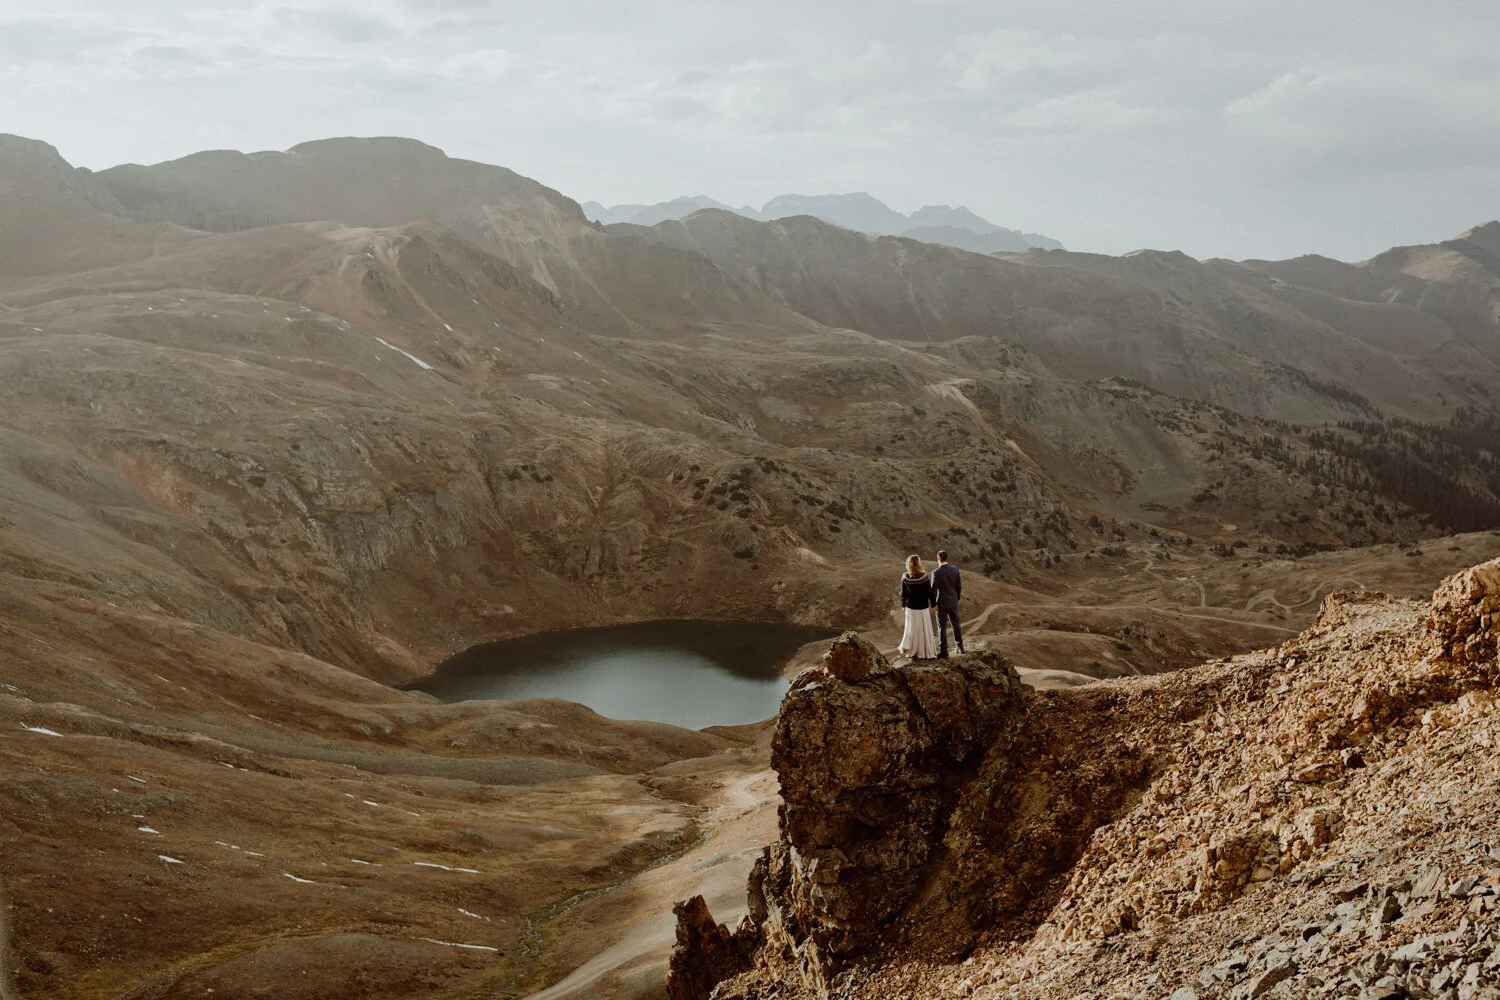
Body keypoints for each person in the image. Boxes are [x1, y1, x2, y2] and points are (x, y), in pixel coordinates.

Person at [897, 554, 939, 660]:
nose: (921, 562)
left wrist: (903, 605)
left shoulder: (905, 576)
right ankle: (924, 651)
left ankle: (912, 649)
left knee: (912, 629)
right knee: (922, 629)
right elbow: (929, 592)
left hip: (910, 607)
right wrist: (934, 604)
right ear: (917, 563)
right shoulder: (923, 576)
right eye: (919, 560)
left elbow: (903, 593)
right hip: (922, 607)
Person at [931, 550, 964, 658]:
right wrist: (956, 598)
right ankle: (960, 646)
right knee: (956, 624)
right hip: (953, 601)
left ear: (937, 559)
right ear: (947, 558)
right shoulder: (955, 569)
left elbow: (933, 590)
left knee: (942, 627)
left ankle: (944, 651)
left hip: (942, 603)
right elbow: (958, 586)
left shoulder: (936, 572)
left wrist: (933, 604)